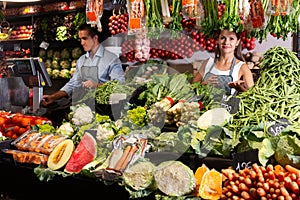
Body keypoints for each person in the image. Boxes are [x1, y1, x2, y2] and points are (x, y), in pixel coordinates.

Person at [42, 23, 126, 107]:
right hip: (84, 106)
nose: (82, 43)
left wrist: (96, 85)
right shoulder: (81, 60)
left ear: (95, 38)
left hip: (104, 107)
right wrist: (53, 97)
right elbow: (72, 84)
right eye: (80, 39)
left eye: (84, 38)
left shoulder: (111, 59)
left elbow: (119, 86)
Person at [193, 29, 254, 95]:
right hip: (204, 105)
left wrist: (240, 89)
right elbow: (192, 89)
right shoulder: (208, 63)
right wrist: (204, 84)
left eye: (231, 39)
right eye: (222, 38)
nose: (226, 42)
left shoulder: (242, 67)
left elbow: (252, 96)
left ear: (237, 42)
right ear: (218, 40)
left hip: (227, 105)